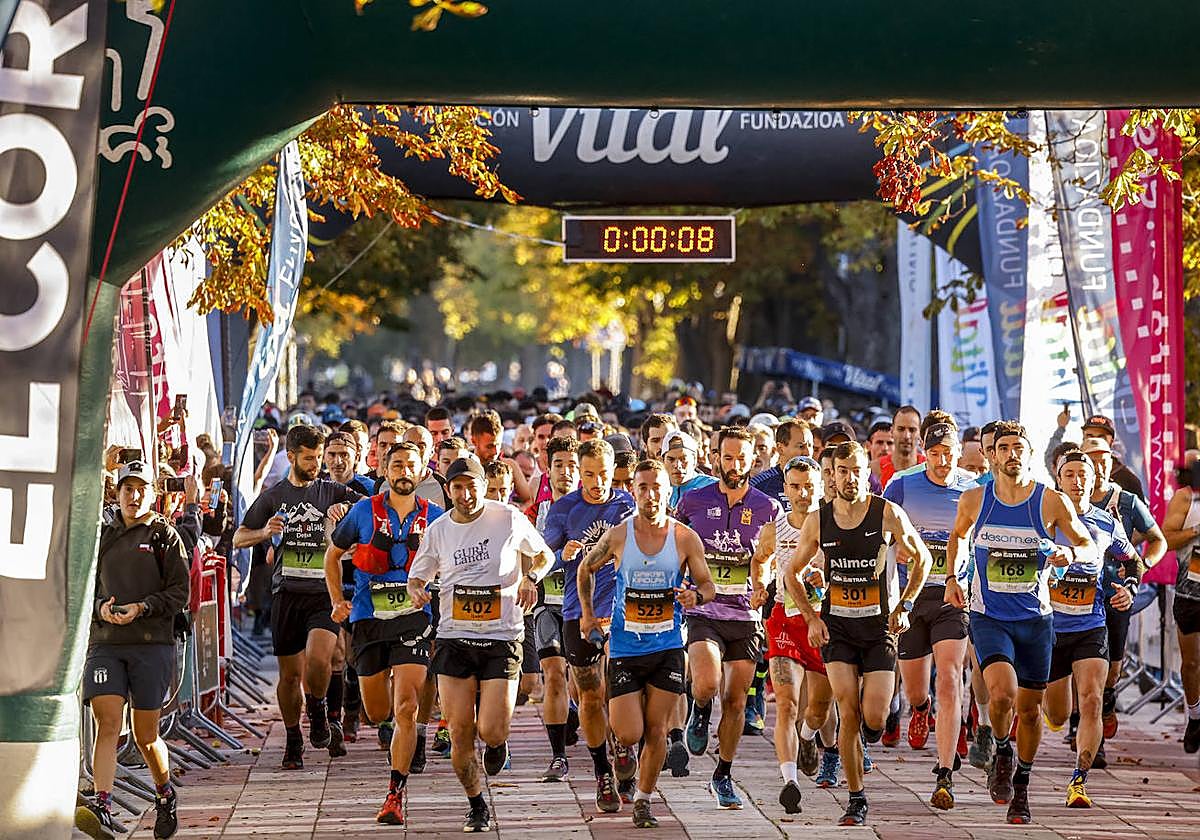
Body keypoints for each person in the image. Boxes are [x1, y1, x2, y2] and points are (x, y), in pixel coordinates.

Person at [944, 420, 1097, 825]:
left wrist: (1071, 555)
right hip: (989, 614)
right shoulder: (976, 500)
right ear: (992, 455)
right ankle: (1001, 748)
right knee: (1001, 695)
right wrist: (952, 579)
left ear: (1031, 455)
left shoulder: (1051, 503)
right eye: (1005, 447)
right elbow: (957, 537)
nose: (1012, 453)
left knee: (1030, 712)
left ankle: (1023, 785)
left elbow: (1086, 543)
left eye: (1020, 447)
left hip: (1035, 620)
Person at [786, 441, 932, 826]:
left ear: (868, 470)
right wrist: (811, 618)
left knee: (875, 717)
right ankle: (856, 797)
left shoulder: (887, 513)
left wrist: (906, 605)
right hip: (838, 629)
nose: (851, 478)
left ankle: (862, 745)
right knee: (847, 711)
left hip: (880, 627)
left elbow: (923, 557)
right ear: (831, 475)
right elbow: (792, 573)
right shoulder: (819, 520)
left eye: (857, 470)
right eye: (842, 471)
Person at [406, 458, 556, 832]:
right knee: (459, 731)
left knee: (491, 729)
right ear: (450, 490)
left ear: (483, 484)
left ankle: (497, 744)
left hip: (501, 636)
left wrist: (530, 578)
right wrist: (417, 590)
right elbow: (417, 576)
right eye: (457, 487)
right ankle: (476, 804)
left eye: (471, 485)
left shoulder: (506, 517)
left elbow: (544, 555)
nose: (466, 493)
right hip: (454, 637)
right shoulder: (439, 529)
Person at [577, 459, 716, 828]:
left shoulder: (685, 538)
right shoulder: (619, 535)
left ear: (668, 492)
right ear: (633, 491)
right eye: (643, 487)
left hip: (668, 646)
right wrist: (588, 615)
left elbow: (707, 585)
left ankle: (642, 799)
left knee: (656, 730)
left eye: (657, 487)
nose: (650, 495)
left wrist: (696, 599)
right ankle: (619, 747)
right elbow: (585, 568)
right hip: (625, 646)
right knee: (629, 731)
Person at [323, 443, 445, 825]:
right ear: (385, 471)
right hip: (368, 619)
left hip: (414, 618)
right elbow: (332, 555)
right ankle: (394, 731)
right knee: (379, 712)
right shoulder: (363, 511)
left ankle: (395, 793)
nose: (404, 470)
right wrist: (337, 600)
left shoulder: (437, 517)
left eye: (411, 464)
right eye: (396, 465)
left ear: (423, 471)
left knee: (407, 705)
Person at [233, 425, 358, 769]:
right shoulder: (274, 496)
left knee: (319, 660)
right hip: (286, 593)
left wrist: (346, 513)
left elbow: (370, 512)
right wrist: (264, 531)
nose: (316, 464)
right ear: (291, 457)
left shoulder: (333, 491)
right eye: (309, 458)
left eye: (319, 457)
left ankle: (317, 707)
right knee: (289, 677)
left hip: (322, 592)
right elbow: (239, 538)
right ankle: (292, 738)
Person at [77, 461, 189, 840]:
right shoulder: (102, 533)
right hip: (106, 644)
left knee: (145, 735)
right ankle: (104, 804)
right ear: (117, 492)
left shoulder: (164, 536)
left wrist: (143, 608)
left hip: (150, 644)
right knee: (107, 723)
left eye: (141, 488)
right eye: (127, 488)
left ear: (154, 494)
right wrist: (100, 609)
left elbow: (180, 593)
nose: (133, 495)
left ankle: (164, 793)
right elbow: (84, 584)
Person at [676, 427, 781, 809]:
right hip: (704, 610)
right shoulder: (692, 502)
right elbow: (677, 551)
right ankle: (699, 711)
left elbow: (772, 559)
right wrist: (682, 586)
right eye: (728, 457)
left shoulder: (769, 508)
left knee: (736, 702)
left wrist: (763, 585)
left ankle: (723, 774)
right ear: (716, 457)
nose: (735, 465)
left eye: (742, 458)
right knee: (706, 682)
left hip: (745, 616)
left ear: (754, 460)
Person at [881, 421, 977, 808]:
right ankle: (920, 709)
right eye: (935, 454)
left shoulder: (973, 487)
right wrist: (895, 553)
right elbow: (882, 535)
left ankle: (944, 772)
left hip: (953, 595)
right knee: (918, 688)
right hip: (911, 596)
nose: (942, 462)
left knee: (950, 679)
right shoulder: (903, 484)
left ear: (958, 451)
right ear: (925, 451)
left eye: (949, 454)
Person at [544, 438, 637, 809]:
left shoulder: (627, 505)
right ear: (578, 473)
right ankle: (602, 774)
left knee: (619, 688)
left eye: (602, 474)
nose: (596, 482)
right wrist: (560, 554)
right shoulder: (563, 508)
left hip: (620, 611)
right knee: (590, 695)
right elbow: (541, 560)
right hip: (576, 611)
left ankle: (624, 745)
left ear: (613, 470)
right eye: (588, 475)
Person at [1043, 451, 1138, 808]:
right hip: (1050, 628)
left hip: (1091, 624)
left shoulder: (1105, 522)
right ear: (1059, 479)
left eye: (1084, 474)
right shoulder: (1043, 518)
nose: (1078, 480)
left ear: (1094, 478)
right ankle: (1054, 717)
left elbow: (1133, 561)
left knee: (1093, 700)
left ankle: (1078, 781)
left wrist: (1129, 588)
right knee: (1056, 713)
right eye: (1070, 474)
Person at [750, 456, 836, 813]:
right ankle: (790, 781)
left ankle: (808, 738)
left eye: (809, 487)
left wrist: (825, 580)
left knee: (817, 710)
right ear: (784, 489)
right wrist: (758, 584)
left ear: (821, 488)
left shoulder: (834, 527)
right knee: (785, 702)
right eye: (795, 486)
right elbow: (759, 559)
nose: (802, 494)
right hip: (785, 622)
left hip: (825, 626)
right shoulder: (775, 529)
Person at [1079, 436, 1166, 748]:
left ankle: (1108, 698)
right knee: (1084, 665)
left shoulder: (1126, 501)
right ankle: (1089, 733)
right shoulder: (1065, 500)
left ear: (1112, 462)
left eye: (1105, 460)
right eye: (1093, 460)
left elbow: (1158, 538)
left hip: (1117, 592)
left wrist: (1142, 566)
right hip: (1078, 595)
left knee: (1112, 667)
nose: (1100, 466)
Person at [527, 436, 582, 781]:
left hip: (586, 606)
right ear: (548, 467)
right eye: (558, 464)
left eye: (572, 465)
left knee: (584, 681)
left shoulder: (595, 507)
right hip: (548, 603)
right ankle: (558, 756)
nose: (565, 471)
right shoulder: (538, 511)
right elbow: (531, 558)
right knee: (553, 675)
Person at [1162, 456, 1200, 753]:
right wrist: (1196, 531)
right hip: (1191, 594)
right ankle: (1196, 715)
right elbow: (1167, 538)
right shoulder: (1186, 498)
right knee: (1190, 663)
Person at [750, 418, 815, 511]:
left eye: (810, 446)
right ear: (780, 449)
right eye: (801, 446)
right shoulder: (758, 486)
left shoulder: (819, 484)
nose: (808, 453)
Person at [662, 429, 716, 511]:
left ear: (694, 459)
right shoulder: (659, 489)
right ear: (663, 461)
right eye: (671, 459)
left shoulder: (713, 487)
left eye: (683, 459)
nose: (677, 465)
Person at [879, 406, 924, 487]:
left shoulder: (930, 469)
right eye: (901, 429)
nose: (906, 436)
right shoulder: (875, 470)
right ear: (892, 431)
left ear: (920, 433)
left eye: (912, 430)